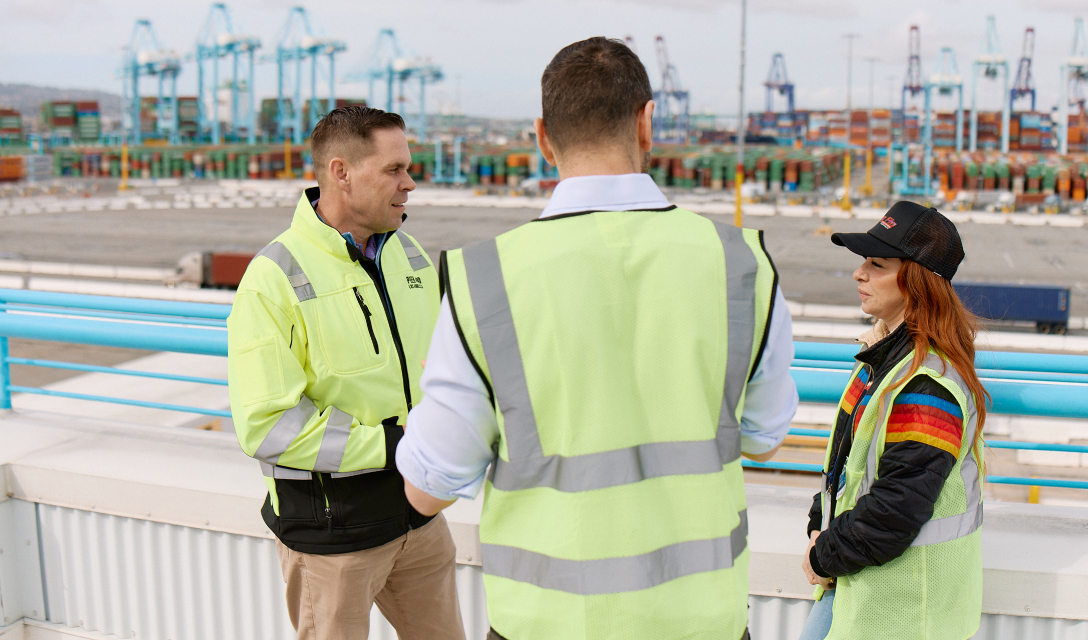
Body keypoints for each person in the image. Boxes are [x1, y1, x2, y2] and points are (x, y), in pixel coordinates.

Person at [395, 37, 799, 640]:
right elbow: (764, 438)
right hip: (701, 622)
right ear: (647, 122)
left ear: (542, 136)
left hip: (548, 625)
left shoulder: (486, 279)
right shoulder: (741, 265)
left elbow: (428, 488)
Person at [227, 106, 464, 640]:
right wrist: (396, 444)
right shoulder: (272, 278)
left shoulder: (409, 254)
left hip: (419, 518)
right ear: (341, 173)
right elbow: (267, 426)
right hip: (332, 536)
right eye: (394, 169)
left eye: (408, 168)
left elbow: (436, 364)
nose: (409, 183)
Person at [798, 201, 988, 640]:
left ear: (916, 280)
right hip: (859, 590)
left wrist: (823, 555)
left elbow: (898, 507)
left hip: (901, 612)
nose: (858, 273)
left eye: (877, 264)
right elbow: (848, 469)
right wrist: (818, 526)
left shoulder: (926, 384)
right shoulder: (884, 359)